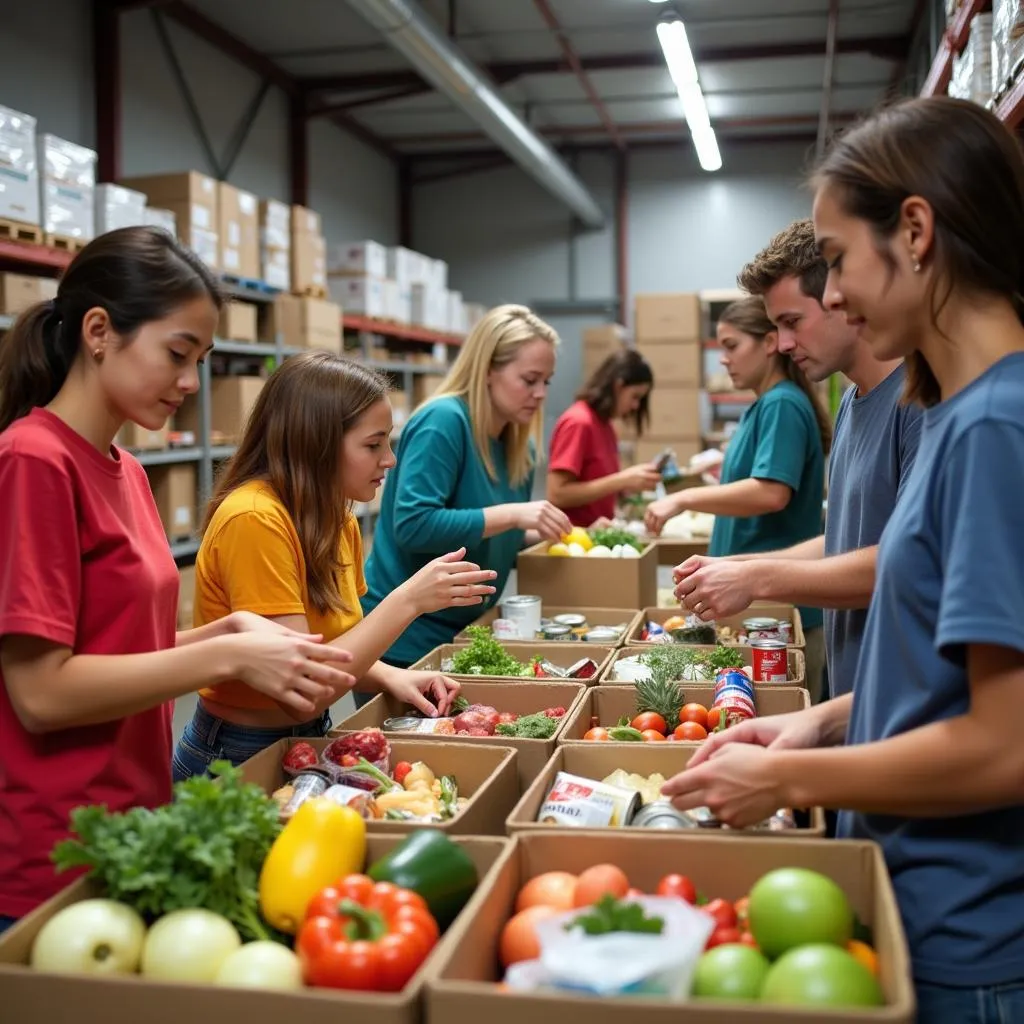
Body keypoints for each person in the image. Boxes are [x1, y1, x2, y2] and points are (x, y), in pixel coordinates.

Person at [663, 97, 1024, 1021]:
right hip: (916, 895)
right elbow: (953, 680)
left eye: (835, 260)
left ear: (914, 232)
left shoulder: (994, 427)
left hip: (970, 933)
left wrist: (790, 779)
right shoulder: (952, 416)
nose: (828, 299)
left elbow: (1008, 744)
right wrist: (818, 725)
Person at [0, 227, 355, 930]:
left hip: (135, 822)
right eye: (177, 354)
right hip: (54, 851)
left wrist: (228, 630)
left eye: (202, 359)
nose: (191, 383)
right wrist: (225, 655)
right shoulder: (34, 461)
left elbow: (123, 639)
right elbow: (40, 693)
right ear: (99, 331)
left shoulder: (126, 469)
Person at [172, 351, 499, 781]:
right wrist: (408, 600)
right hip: (236, 751)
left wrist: (389, 675)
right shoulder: (254, 519)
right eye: (372, 444)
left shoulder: (335, 517)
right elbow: (302, 691)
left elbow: (336, 644)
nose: (390, 460)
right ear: (316, 444)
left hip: (306, 734)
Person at [670, 219, 923, 701]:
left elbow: (908, 560)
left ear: (841, 298)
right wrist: (735, 566)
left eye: (792, 322)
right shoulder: (852, 402)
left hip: (906, 701)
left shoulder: (918, 402)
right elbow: (847, 539)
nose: (783, 344)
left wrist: (756, 576)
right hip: (856, 689)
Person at [360, 305, 572, 688]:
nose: (540, 394)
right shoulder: (444, 421)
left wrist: (555, 531)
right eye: (529, 379)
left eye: (547, 382)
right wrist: (513, 515)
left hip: (466, 631)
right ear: (488, 368)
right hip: (406, 642)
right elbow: (413, 525)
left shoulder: (516, 443)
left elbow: (494, 533)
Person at [645, 296, 830, 701]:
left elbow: (771, 492)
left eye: (731, 346)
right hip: (755, 604)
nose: (723, 360)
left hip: (777, 611)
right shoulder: (762, 406)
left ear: (767, 343)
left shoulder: (781, 403)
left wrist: (684, 498)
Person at [546, 349, 661, 527]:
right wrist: (621, 480)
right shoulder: (578, 422)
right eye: (635, 396)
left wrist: (629, 487)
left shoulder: (605, 425)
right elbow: (557, 494)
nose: (635, 405)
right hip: (574, 541)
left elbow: (597, 484)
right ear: (618, 386)